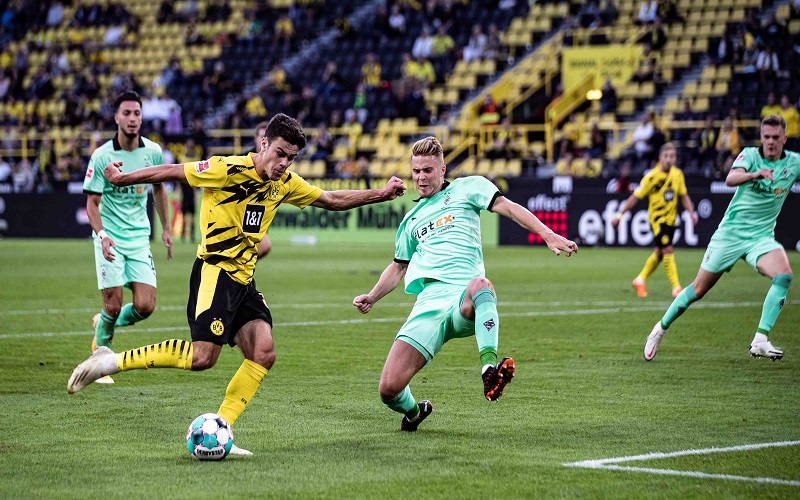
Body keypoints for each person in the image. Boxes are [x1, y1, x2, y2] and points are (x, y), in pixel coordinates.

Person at [68, 114, 407, 454]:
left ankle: (221, 430)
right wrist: (121, 178)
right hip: (215, 273)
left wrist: (381, 194)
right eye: (280, 153)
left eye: (291, 158)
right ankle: (110, 361)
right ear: (264, 143)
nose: (284, 163)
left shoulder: (285, 183)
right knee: (203, 358)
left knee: (263, 352)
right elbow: (172, 171)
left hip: (244, 280)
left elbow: (331, 200)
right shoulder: (227, 169)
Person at [352, 137, 578, 431]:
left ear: (442, 169)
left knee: (482, 285)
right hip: (429, 303)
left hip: (464, 297)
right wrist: (372, 296)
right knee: (388, 389)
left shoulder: (468, 188)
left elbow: (509, 208)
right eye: (416, 171)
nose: (421, 177)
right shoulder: (411, 220)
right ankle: (415, 412)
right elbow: (398, 267)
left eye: (428, 170)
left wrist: (548, 234)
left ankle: (489, 369)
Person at [644, 115, 798, 362]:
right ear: (761, 137)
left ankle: (760, 339)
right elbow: (730, 178)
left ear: (784, 139)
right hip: (730, 235)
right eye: (766, 137)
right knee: (698, 289)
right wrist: (756, 174)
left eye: (775, 137)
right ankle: (659, 329)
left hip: (760, 238)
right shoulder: (749, 155)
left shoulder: (794, 162)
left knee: (784, 276)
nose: (770, 141)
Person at [83, 90, 172, 385]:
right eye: (127, 113)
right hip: (110, 236)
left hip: (138, 238)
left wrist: (166, 228)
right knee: (113, 303)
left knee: (145, 306)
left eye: (137, 113)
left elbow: (159, 189)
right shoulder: (102, 155)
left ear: (141, 118)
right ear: (116, 118)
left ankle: (103, 323)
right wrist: (102, 235)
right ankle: (99, 361)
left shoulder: (153, 152)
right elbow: (91, 203)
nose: (132, 118)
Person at [612, 143, 698, 298]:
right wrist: (619, 215)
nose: (669, 159)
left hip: (671, 220)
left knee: (660, 252)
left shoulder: (678, 174)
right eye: (666, 156)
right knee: (668, 249)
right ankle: (676, 288)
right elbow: (634, 197)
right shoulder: (651, 177)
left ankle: (640, 280)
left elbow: (683, 195)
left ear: (675, 159)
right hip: (658, 220)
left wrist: (691, 213)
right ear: (660, 158)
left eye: (672, 156)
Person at [252, 121, 272, 259]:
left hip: (261, 211)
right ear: (256, 138)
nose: (263, 140)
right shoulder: (242, 159)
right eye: (261, 136)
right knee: (264, 246)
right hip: (240, 211)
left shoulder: (273, 164)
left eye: (267, 137)